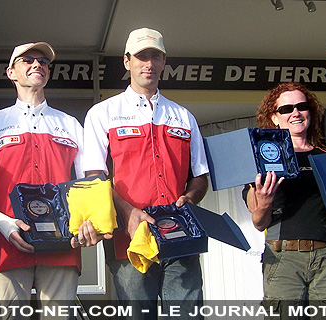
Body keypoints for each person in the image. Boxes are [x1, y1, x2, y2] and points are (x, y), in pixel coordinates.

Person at [83, 28, 209, 319]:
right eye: (141, 57)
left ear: (164, 62)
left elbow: (199, 175)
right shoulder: (103, 113)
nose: (148, 63)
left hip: (181, 237)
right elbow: (94, 178)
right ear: (127, 61)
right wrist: (127, 213)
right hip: (129, 241)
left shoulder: (184, 116)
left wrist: (190, 198)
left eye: (155, 56)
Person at [0, 42, 103, 319]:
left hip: (62, 246)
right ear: (11, 72)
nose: (37, 65)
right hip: (8, 243)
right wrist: (2, 223)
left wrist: (90, 222)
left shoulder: (70, 125)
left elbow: (89, 186)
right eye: (27, 60)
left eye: (43, 62)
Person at [243, 82, 326, 319]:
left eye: (302, 106)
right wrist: (264, 200)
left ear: (311, 111)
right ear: (274, 117)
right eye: (286, 109)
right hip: (283, 259)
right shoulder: (263, 159)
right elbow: (259, 222)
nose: (295, 113)